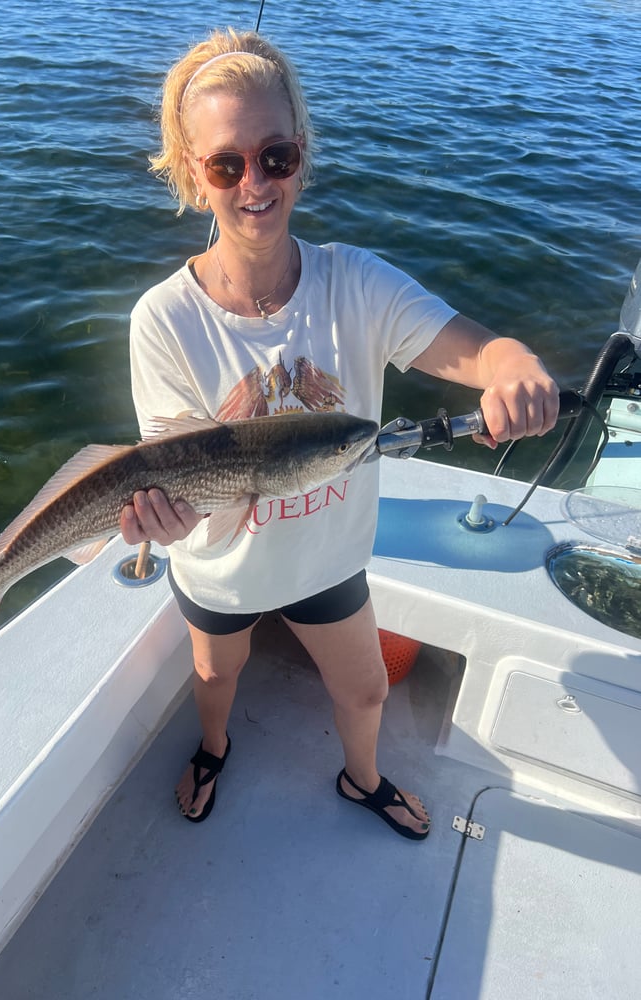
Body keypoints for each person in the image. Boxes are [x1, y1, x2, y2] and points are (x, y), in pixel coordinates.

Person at [120, 28, 559, 838]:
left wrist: (514, 366)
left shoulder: (357, 283)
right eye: (225, 164)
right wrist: (162, 519)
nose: (254, 182)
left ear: (302, 155)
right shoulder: (163, 320)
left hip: (329, 560)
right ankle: (214, 747)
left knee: (366, 691)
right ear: (191, 173)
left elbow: (477, 350)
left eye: (275, 156)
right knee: (216, 676)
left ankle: (363, 778)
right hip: (220, 569)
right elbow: (172, 469)